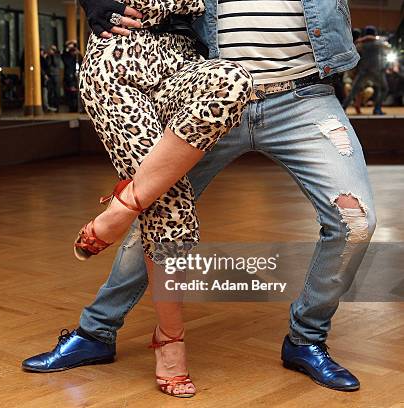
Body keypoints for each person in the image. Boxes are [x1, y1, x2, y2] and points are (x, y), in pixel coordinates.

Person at [23, 0, 376, 397]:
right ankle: (97, 331)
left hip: (302, 99)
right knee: (161, 210)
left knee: (356, 223)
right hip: (208, 94)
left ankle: (306, 338)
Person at [342, 25, 393, 115]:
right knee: (384, 89)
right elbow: (388, 47)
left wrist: (362, 40)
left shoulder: (360, 44)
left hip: (364, 72)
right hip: (376, 72)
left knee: (354, 91)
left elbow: (353, 52)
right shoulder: (379, 43)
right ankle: (377, 109)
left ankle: (343, 108)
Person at [61, 41, 80, 113]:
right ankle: (71, 108)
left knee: (75, 94)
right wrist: (67, 45)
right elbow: (63, 53)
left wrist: (75, 45)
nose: (73, 52)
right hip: (69, 77)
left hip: (75, 77)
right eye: (71, 51)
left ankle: (76, 108)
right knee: (70, 94)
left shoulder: (77, 57)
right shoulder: (66, 57)